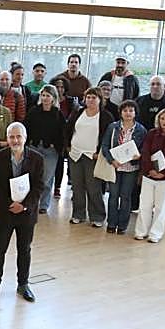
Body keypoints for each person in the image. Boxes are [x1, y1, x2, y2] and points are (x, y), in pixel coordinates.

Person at [0, 122, 43, 302]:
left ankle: (23, 284)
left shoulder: (37, 158)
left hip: (26, 213)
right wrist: (11, 204)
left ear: (25, 138)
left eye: (19, 137)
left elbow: (39, 187)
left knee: (24, 250)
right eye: (12, 137)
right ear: (7, 139)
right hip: (5, 211)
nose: (15, 140)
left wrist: (24, 205)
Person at [134, 108, 165, 243]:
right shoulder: (151, 134)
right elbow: (145, 153)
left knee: (161, 207)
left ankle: (155, 234)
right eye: (162, 118)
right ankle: (141, 231)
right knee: (145, 204)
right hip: (148, 176)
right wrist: (150, 170)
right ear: (158, 120)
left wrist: (164, 174)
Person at [101, 100, 146, 235]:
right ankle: (111, 223)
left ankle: (122, 225)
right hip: (115, 167)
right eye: (125, 110)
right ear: (120, 112)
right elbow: (104, 146)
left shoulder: (141, 130)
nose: (128, 113)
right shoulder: (113, 127)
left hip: (130, 169)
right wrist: (111, 160)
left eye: (131, 110)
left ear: (135, 113)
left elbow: (145, 148)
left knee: (126, 197)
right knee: (113, 196)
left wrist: (139, 155)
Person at [66, 87, 108, 226]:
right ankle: (78, 214)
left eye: (93, 97)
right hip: (75, 154)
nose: (90, 100)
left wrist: (100, 153)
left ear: (100, 99)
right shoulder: (78, 112)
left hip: (92, 156)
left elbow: (107, 137)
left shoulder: (105, 116)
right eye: (88, 97)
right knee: (77, 186)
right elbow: (68, 129)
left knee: (93, 187)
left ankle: (97, 217)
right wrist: (68, 146)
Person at [24, 85, 64, 214]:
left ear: (53, 98)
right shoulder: (34, 111)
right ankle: (32, 202)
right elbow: (27, 127)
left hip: (50, 151)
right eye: (43, 95)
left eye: (48, 95)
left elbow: (62, 133)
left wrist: (56, 145)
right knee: (33, 176)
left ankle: (44, 204)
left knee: (46, 178)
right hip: (34, 147)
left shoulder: (58, 114)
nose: (45, 98)